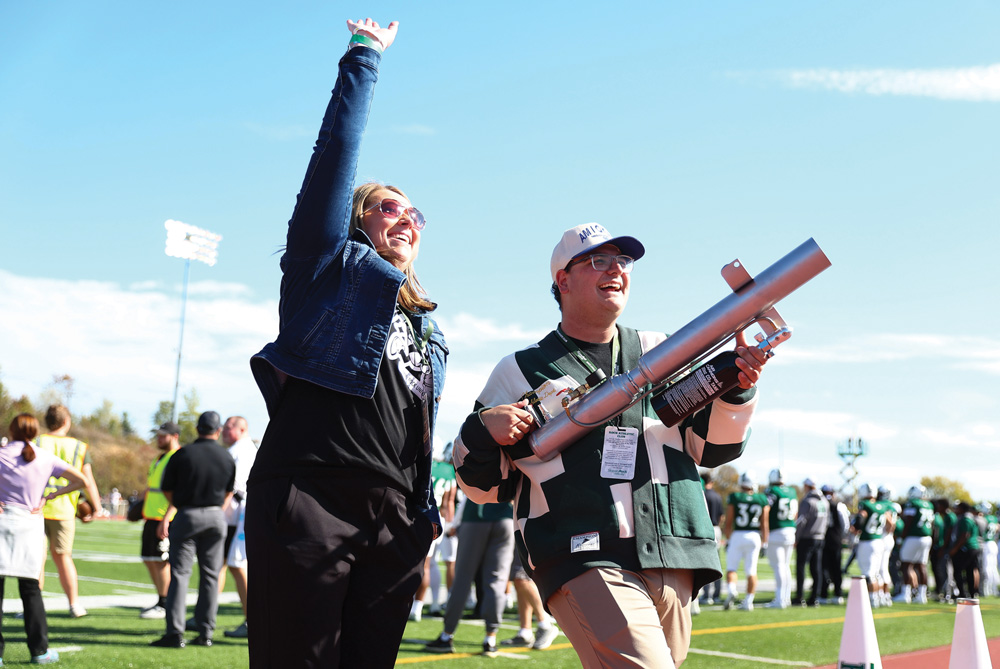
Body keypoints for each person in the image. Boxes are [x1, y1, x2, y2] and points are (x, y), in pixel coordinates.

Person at [452, 222, 767, 668]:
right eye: (598, 260)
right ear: (562, 279)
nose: (616, 270)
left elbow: (711, 448)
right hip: (581, 555)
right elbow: (479, 485)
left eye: (623, 261)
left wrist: (737, 387)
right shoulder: (520, 370)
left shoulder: (663, 349)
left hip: (671, 551)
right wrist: (484, 429)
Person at [245, 17, 446, 668]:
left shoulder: (429, 329)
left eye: (414, 213)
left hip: (394, 519)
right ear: (356, 219)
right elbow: (335, 154)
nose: (405, 218)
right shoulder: (325, 266)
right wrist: (364, 57)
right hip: (313, 494)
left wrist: (424, 514)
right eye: (388, 206)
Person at [0, 413, 88, 665]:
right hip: (30, 524)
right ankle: (39, 651)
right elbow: (80, 480)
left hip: (3, 522)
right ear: (34, 431)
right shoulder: (45, 457)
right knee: (31, 590)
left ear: (12, 430)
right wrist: (50, 497)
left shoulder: (2, 454)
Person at [150, 411, 235, 649]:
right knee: (210, 575)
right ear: (217, 431)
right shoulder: (226, 457)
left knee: (180, 574)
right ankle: (205, 631)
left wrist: (179, 504)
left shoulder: (183, 453)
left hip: (188, 514)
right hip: (216, 516)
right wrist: (218, 508)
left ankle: (175, 633)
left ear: (197, 429)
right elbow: (230, 490)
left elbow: (167, 488)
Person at [36, 404, 104, 618]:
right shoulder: (78, 446)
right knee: (64, 557)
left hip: (35, 508)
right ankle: (74, 604)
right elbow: (88, 480)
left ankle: (33, 606)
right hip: (64, 509)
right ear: (67, 421)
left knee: (37, 558)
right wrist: (97, 506)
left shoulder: (37, 441)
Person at [424, 501, 515, 655]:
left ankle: (446, 636)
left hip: (476, 516)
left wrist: (455, 523)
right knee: (496, 581)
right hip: (506, 518)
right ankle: (490, 638)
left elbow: (468, 493)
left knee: (463, 579)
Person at [138, 421, 182, 619]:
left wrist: (167, 518)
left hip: (166, 517)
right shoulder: (159, 458)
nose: (159, 439)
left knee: (162, 561)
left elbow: (179, 493)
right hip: (151, 515)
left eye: (163, 436)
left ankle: (166, 603)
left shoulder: (178, 458)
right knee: (150, 559)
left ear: (175, 436)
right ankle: (161, 599)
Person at [218, 415, 256, 639]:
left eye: (229, 427)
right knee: (224, 564)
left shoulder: (243, 451)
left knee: (238, 563)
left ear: (242, 429)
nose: (223, 431)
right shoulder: (237, 449)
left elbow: (233, 485)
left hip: (240, 515)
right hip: (235, 515)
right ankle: (206, 614)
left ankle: (253, 620)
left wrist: (218, 511)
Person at [724, 472, 770, 612]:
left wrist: (728, 539)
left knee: (732, 568)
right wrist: (765, 542)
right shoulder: (761, 498)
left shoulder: (735, 497)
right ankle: (748, 602)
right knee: (751, 570)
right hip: (754, 536)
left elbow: (728, 522)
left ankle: (732, 589)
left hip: (738, 534)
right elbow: (765, 524)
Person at [763, 468, 797, 609]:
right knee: (785, 566)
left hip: (776, 531)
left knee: (779, 566)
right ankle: (786, 597)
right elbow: (795, 512)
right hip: (790, 530)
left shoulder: (771, 491)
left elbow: (766, 510)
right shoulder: (792, 491)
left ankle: (779, 599)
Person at [851, 482, 889, 609]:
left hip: (867, 541)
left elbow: (861, 517)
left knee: (868, 573)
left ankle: (872, 599)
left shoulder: (865, 505)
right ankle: (878, 596)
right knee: (876, 573)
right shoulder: (882, 506)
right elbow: (890, 523)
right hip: (879, 540)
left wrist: (855, 528)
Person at [894, 484, 934, 604]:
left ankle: (905, 594)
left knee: (906, 565)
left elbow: (908, 521)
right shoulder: (929, 505)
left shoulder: (913, 504)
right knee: (922, 566)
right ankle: (922, 595)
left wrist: (902, 537)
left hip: (913, 537)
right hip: (927, 537)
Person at [793, 478, 828, 607]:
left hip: (807, 538)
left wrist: (796, 537)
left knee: (801, 567)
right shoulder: (824, 501)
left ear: (807, 486)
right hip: (820, 537)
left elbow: (801, 521)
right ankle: (814, 597)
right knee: (816, 568)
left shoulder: (807, 501)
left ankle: (800, 596)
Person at [698, 471, 725, 606]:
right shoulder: (718, 496)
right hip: (716, 529)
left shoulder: (701, 494)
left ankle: (707, 594)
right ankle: (717, 594)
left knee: (705, 562)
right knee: (716, 562)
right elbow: (721, 517)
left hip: (705, 528)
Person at [820, 484, 849, 604]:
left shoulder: (821, 504)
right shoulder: (839, 505)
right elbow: (845, 524)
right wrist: (841, 535)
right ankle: (837, 593)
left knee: (825, 567)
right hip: (835, 539)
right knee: (835, 568)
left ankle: (824, 594)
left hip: (824, 538)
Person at [950, 500, 981, 599]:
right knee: (970, 571)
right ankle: (972, 593)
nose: (956, 510)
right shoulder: (972, 518)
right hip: (974, 547)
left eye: (957, 508)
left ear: (962, 509)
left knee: (959, 571)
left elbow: (965, 535)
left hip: (966, 548)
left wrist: (955, 549)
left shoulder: (965, 519)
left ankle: (963, 593)